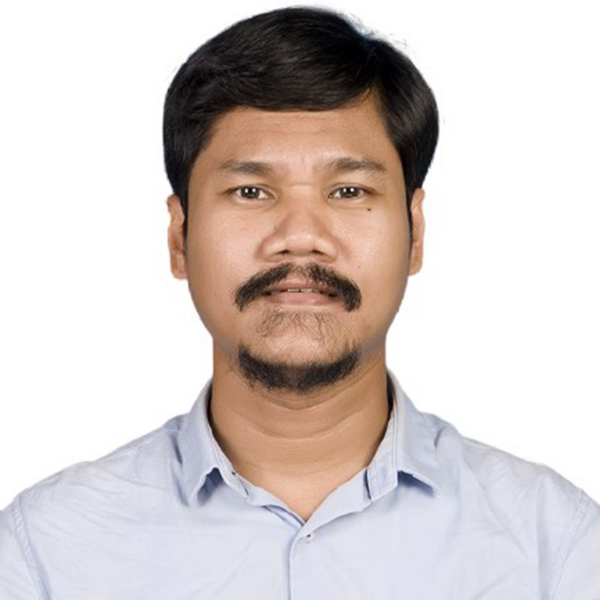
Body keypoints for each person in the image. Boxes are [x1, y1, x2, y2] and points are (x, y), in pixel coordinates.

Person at [1, 6, 598, 599]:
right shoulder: (46, 552)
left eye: (349, 190)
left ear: (415, 233)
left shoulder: (555, 548)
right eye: (251, 190)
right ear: (179, 237)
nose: (301, 235)